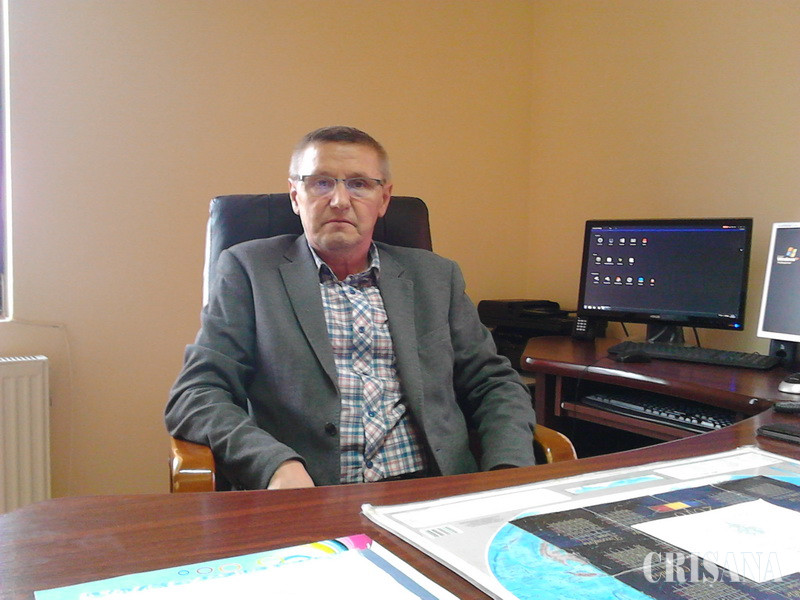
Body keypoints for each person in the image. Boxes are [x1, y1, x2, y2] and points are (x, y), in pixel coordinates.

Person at [166, 126, 536, 490]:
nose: (340, 200)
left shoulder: (436, 276)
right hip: (308, 495)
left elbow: (493, 383)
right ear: (295, 196)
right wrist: (274, 465)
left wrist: (508, 471)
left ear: (384, 199)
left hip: (433, 491)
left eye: (359, 184)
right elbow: (196, 394)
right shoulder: (249, 270)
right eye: (321, 182)